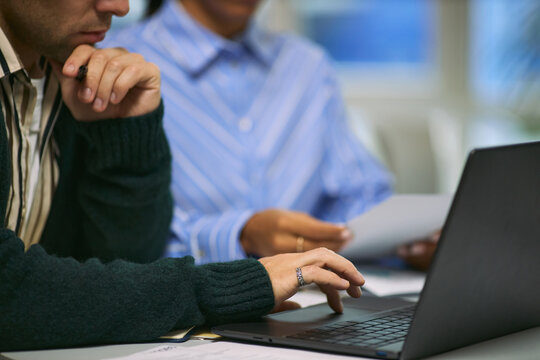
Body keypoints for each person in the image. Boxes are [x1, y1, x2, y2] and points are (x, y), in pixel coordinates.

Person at [0, 0, 366, 351]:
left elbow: (120, 266)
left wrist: (125, 137)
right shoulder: (116, 56)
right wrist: (238, 285)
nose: (121, 6)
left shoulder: (76, 76)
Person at [101, 0, 397, 265]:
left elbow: (358, 196)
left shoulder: (308, 66)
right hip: (186, 316)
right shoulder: (115, 67)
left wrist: (405, 239)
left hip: (314, 304)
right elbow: (115, 239)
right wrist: (242, 235)